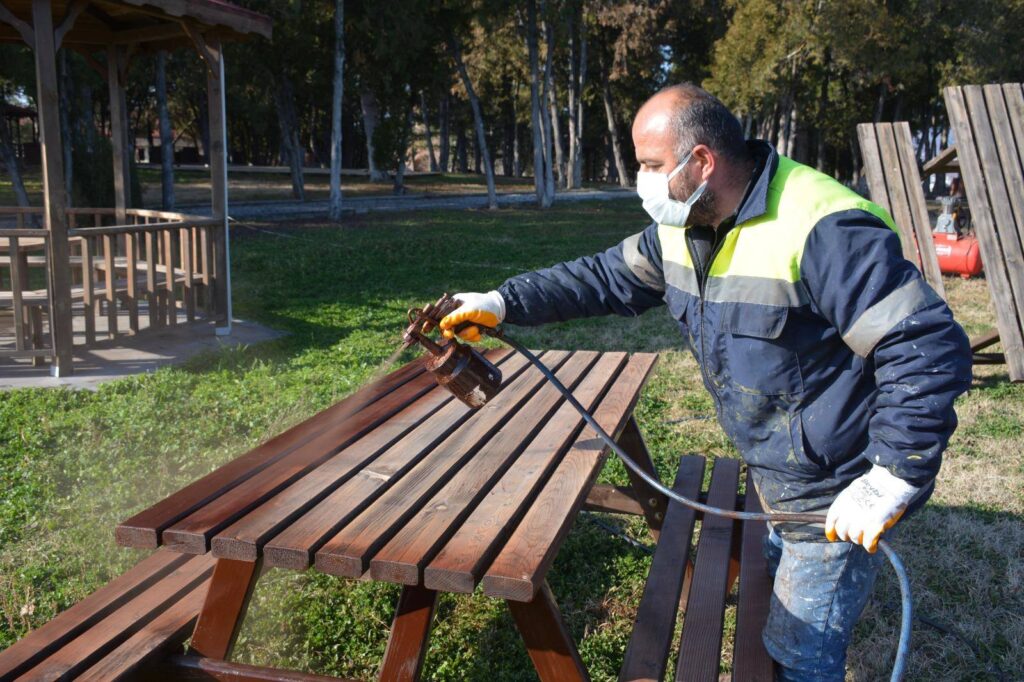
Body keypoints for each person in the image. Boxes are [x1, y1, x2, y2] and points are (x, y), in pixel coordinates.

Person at [438, 83, 973, 680]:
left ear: (700, 162)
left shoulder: (821, 226)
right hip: (776, 470)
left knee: (800, 652)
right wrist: (502, 301)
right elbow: (599, 278)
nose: (640, 181)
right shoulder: (685, 224)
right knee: (773, 583)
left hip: (834, 483)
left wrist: (895, 470)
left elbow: (923, 342)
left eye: (649, 165)